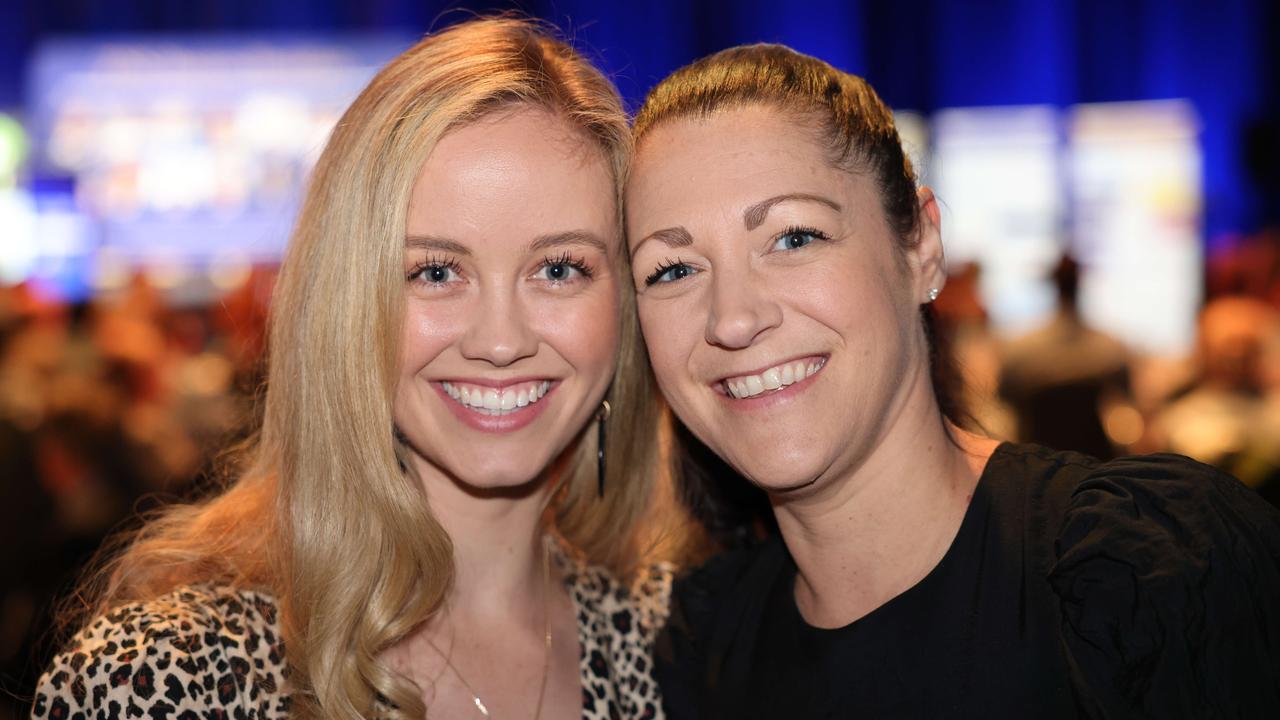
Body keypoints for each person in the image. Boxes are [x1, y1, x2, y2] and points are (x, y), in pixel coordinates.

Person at [32, 17, 690, 720]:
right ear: (346, 302)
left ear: (625, 298)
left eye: (559, 268)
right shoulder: (160, 681)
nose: (501, 340)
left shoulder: (677, 648)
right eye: (436, 271)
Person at [624, 44, 1280, 718]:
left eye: (795, 238)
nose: (733, 319)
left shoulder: (1147, 575)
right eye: (672, 270)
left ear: (921, 247)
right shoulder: (694, 660)